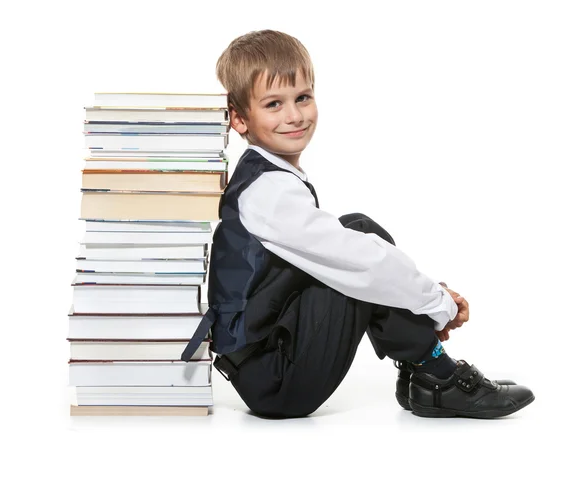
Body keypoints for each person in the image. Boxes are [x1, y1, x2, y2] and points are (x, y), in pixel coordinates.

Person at [181, 29, 534, 419]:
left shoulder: (266, 178)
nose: (294, 116)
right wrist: (436, 302)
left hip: (266, 362)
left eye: (302, 97)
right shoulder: (268, 193)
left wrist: (425, 298)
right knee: (359, 250)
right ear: (240, 119)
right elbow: (365, 263)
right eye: (273, 104)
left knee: (354, 229)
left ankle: (426, 370)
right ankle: (436, 375)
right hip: (275, 382)